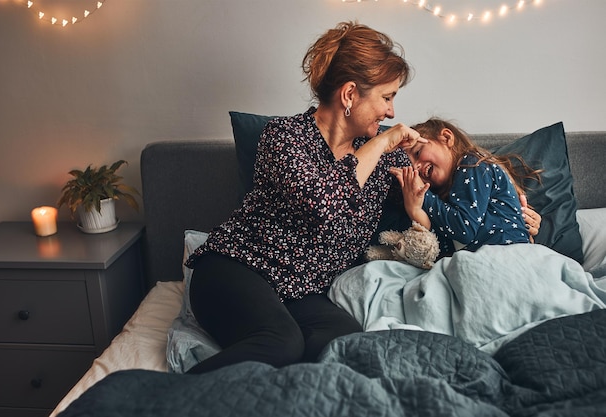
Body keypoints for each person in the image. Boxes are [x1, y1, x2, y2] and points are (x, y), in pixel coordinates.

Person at [186, 22, 542, 375]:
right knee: (280, 343)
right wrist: (383, 143)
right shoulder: (284, 138)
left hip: (302, 292)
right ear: (350, 94)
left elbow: (439, 212)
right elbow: (324, 203)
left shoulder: (389, 159)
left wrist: (509, 210)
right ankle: (161, 398)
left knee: (347, 348)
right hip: (237, 268)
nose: (391, 113)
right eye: (386, 98)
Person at [392, 118, 541, 256]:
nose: (416, 169)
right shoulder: (444, 204)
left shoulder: (472, 163)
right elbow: (440, 249)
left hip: (506, 255)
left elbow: (464, 230)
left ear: (446, 138)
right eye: (410, 166)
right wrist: (414, 209)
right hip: (479, 261)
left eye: (418, 152)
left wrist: (423, 194)